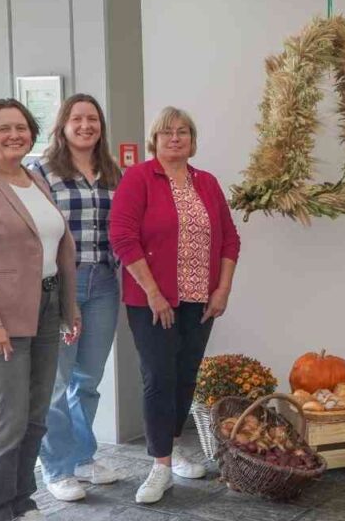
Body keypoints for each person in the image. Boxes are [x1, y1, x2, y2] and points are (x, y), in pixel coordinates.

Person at [0, 99, 80, 521]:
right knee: (9, 422)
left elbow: (54, 247)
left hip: (47, 306)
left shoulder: (32, 177)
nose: (14, 135)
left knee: (36, 416)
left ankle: (22, 502)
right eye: (4, 128)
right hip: (1, 317)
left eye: (21, 127)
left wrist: (68, 308)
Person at [109, 106, 241, 504]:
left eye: (183, 132)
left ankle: (172, 447)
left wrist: (222, 289)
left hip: (200, 300)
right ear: (155, 139)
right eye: (166, 132)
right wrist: (153, 292)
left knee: (185, 376)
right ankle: (160, 466)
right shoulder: (138, 178)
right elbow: (123, 238)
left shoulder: (207, 183)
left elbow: (230, 239)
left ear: (192, 141)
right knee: (158, 377)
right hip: (152, 301)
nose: (175, 138)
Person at [32, 94, 123, 501]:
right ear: (63, 125)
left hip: (103, 283)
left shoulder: (112, 172)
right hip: (59, 284)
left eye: (93, 119)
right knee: (56, 381)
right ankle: (58, 467)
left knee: (88, 379)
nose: (86, 126)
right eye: (77, 119)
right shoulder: (42, 171)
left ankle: (83, 457)